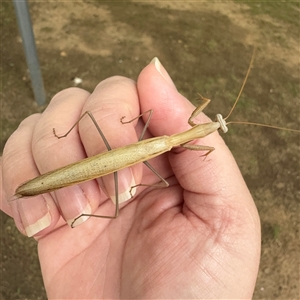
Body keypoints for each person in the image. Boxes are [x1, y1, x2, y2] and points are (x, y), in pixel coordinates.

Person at [0, 58, 261, 299]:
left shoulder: (172, 136)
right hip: (127, 155)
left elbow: (158, 121)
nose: (217, 124)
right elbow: (193, 143)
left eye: (219, 125)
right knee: (94, 120)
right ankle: (62, 202)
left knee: (104, 127)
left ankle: (55, 200)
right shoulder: (177, 140)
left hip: (138, 153)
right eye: (217, 122)